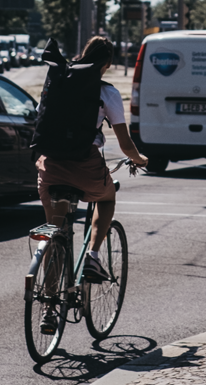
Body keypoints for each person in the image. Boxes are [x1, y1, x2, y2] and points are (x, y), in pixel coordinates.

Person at [35, 36, 148, 285]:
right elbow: (125, 145)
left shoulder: (57, 82)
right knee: (107, 198)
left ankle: (49, 309)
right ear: (107, 62)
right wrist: (139, 159)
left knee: (54, 231)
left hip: (50, 166)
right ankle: (93, 257)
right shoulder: (106, 91)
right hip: (85, 166)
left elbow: (40, 118)